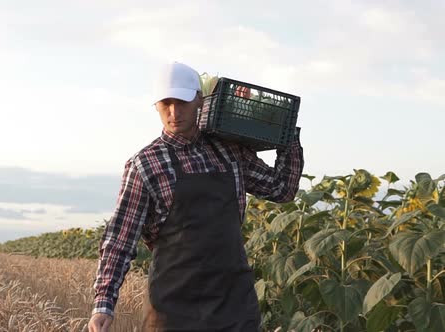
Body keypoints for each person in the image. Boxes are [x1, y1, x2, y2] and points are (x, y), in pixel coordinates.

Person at [88, 62, 304, 332]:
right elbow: (121, 238)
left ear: (200, 100)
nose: (174, 112)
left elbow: (281, 189)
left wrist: (287, 135)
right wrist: (104, 303)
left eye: (182, 102)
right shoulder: (146, 164)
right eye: (165, 104)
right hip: (173, 310)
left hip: (234, 306)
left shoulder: (229, 152)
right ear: (155, 105)